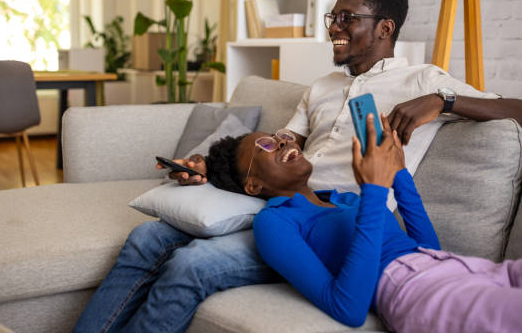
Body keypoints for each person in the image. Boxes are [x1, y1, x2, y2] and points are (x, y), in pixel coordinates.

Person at [74, 0, 522, 333]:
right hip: (282, 198)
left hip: (340, 223)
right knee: (146, 237)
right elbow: (281, 147)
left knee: (195, 264)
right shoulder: (321, 88)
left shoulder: (423, 79)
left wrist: (442, 100)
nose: (333, 27)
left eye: (348, 19)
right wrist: (213, 170)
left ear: (385, 28)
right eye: (333, 16)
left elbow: (516, 109)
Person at [207, 116, 522, 333]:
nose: (282, 142)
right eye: (266, 145)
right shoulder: (275, 221)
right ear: (253, 186)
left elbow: (426, 250)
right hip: (413, 292)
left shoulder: (346, 199)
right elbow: (348, 307)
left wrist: (397, 172)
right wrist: (374, 190)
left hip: (458, 268)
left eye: (282, 137)